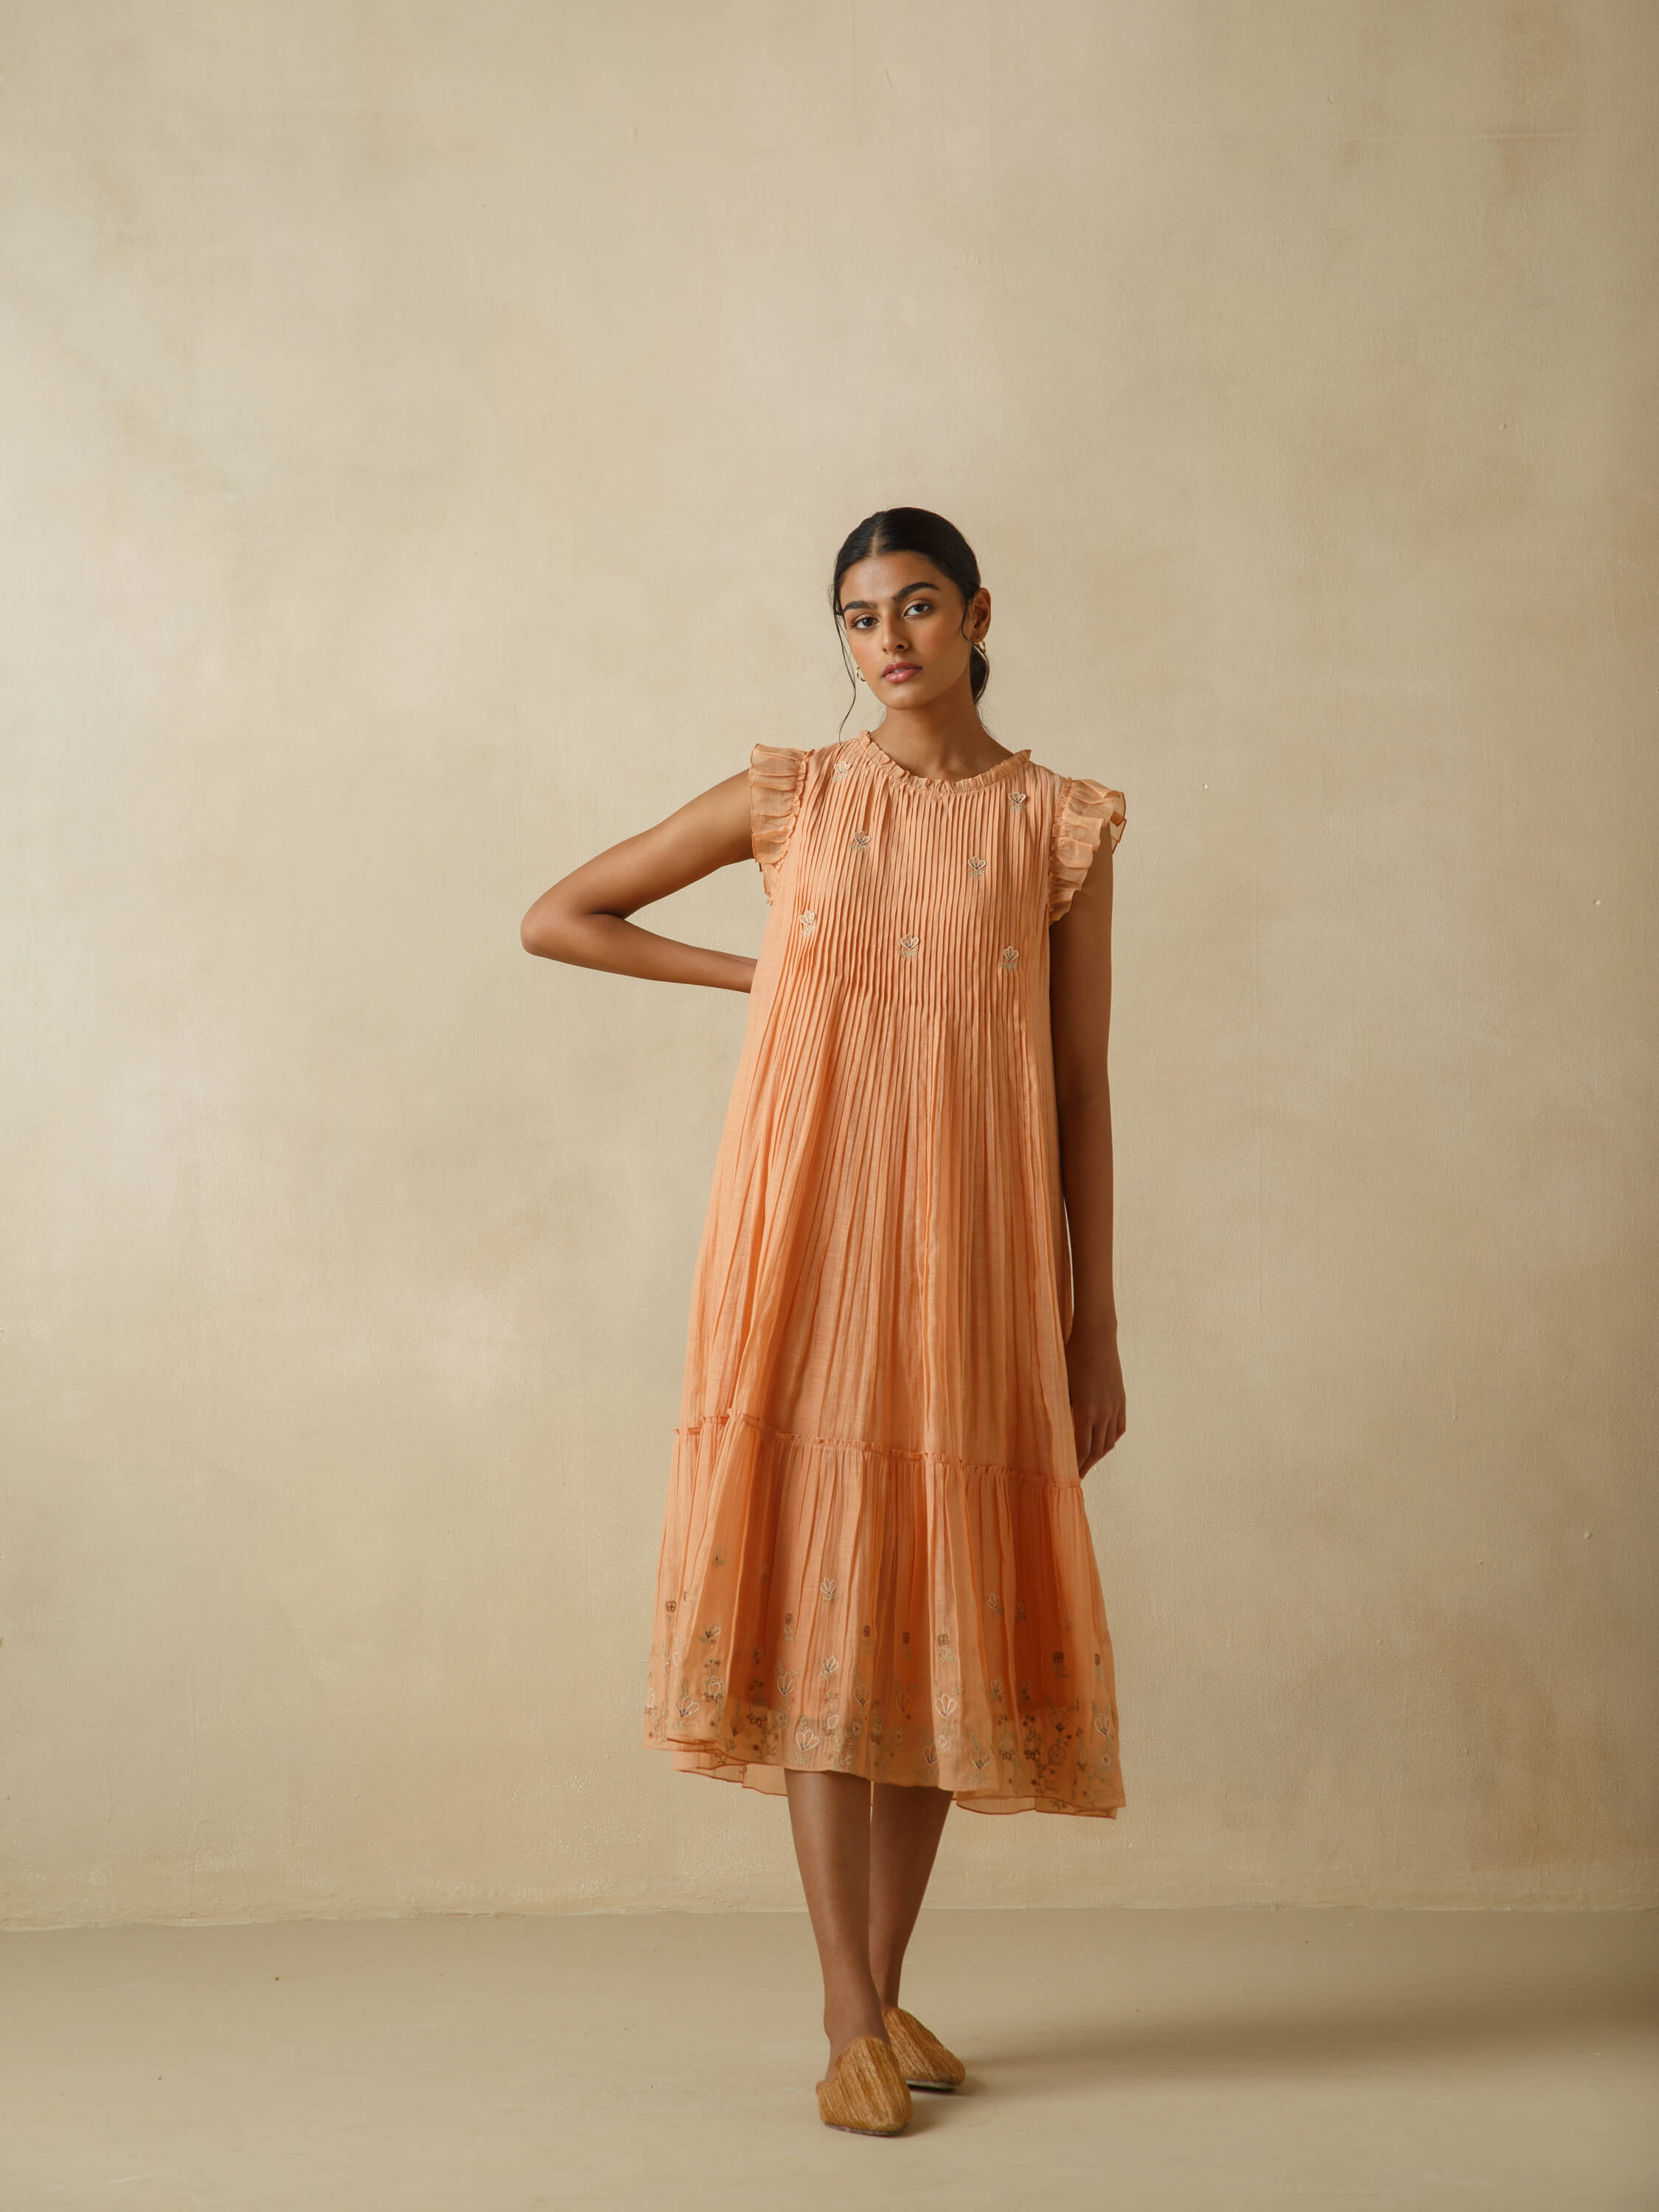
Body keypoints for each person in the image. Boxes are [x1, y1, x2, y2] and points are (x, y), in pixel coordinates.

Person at [521, 507, 1127, 2137]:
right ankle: (846, 2010)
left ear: (978, 612)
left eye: (918, 606)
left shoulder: (1059, 826)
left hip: (983, 1265)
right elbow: (559, 915)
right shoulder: (799, 797)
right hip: (810, 1248)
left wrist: (1096, 1319)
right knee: (826, 1595)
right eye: (861, 617)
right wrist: (768, 975)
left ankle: (885, 1981)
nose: (890, 640)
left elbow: (1079, 1087)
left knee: (938, 1601)